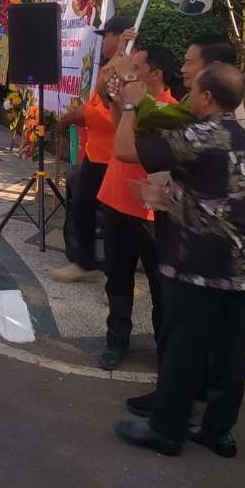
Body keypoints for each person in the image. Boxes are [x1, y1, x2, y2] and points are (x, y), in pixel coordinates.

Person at [112, 63, 245, 458]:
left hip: (200, 263)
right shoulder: (243, 138)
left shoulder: (200, 134)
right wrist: (168, 199)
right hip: (243, 264)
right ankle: (218, 432)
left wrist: (130, 106)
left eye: (193, 89)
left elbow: (125, 150)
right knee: (230, 354)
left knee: (183, 349)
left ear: (208, 97)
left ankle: (166, 431)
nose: (188, 95)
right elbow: (224, 201)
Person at [93, 44, 178, 370]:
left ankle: (165, 347)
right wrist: (118, 91)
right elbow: (111, 110)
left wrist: (127, 102)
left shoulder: (168, 111)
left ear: (156, 74)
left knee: (160, 284)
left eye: (137, 67)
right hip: (116, 200)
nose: (131, 71)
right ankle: (116, 340)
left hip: (151, 212)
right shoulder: (131, 104)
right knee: (117, 278)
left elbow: (132, 149)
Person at [52, 16, 136, 283]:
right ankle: (85, 263)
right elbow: (98, 100)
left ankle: (120, 276)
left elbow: (115, 113)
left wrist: (85, 115)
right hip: (96, 154)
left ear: (120, 36)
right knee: (81, 207)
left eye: (106, 36)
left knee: (116, 219)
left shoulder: (129, 69)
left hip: (115, 157)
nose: (102, 42)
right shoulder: (109, 67)